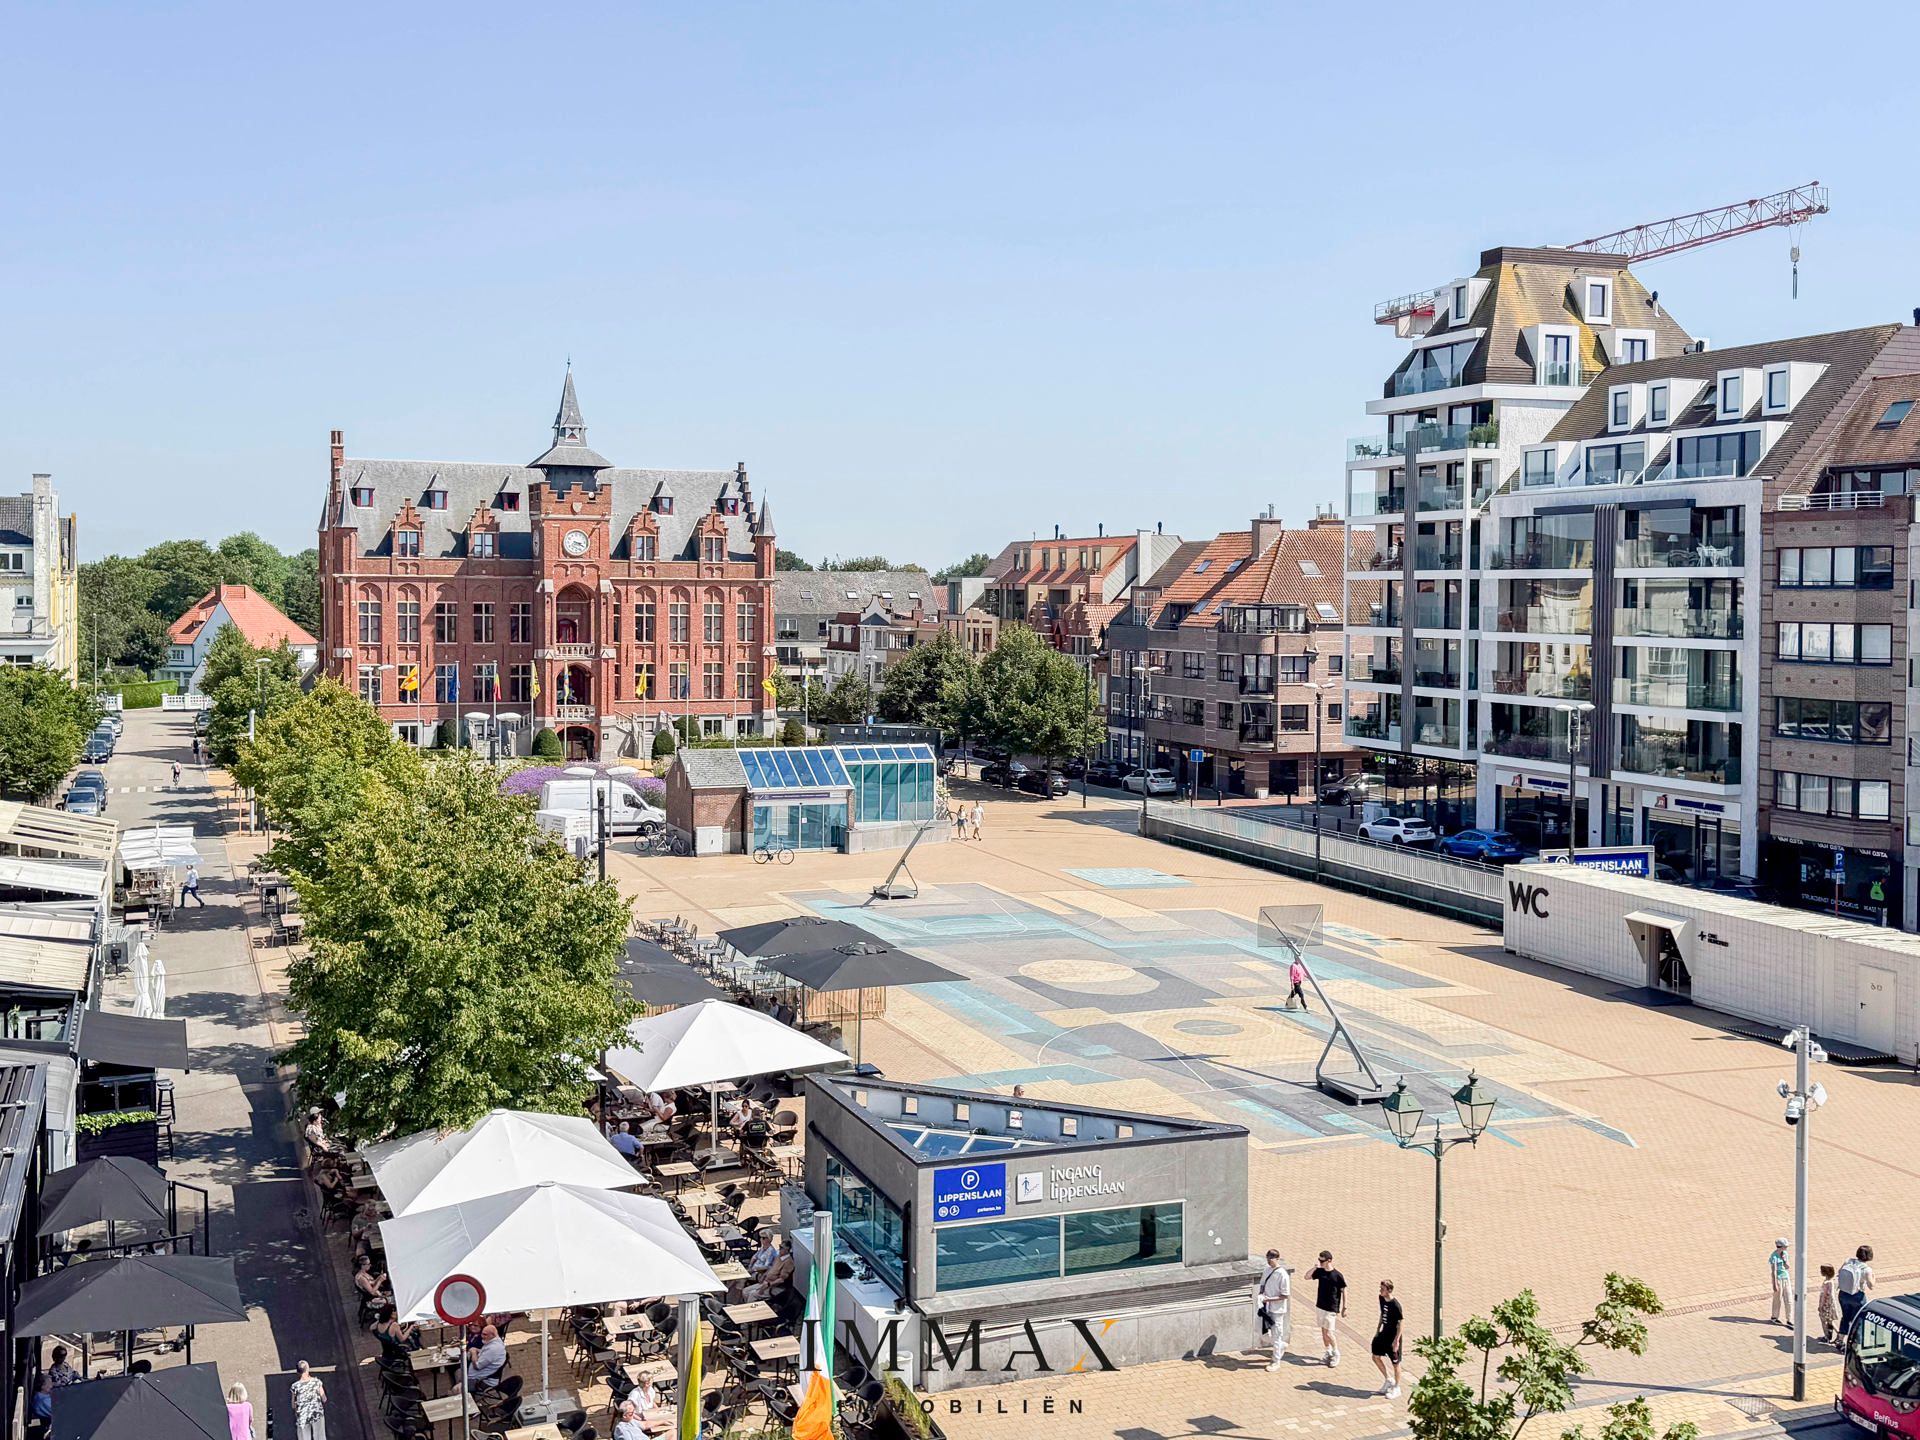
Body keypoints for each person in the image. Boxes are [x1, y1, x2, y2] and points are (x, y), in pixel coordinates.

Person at [1309, 1250, 1348, 1366]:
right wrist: (1314, 1268)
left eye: (1322, 1260)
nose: (1320, 1262)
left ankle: (1336, 1353)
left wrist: (1345, 1306)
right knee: (1323, 1331)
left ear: (1329, 1260)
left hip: (1331, 1307)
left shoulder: (1337, 1275)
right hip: (1320, 1305)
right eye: (1319, 1260)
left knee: (1329, 1333)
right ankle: (1328, 1352)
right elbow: (1307, 1277)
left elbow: (1344, 1289)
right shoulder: (1320, 1272)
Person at [1256, 1248, 1291, 1370]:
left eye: (1271, 1258)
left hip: (1277, 1309)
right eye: (1267, 1258)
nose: (1269, 1261)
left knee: (1276, 1334)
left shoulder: (1282, 1274)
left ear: (1277, 1258)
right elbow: (1262, 1285)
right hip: (1265, 1307)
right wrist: (1261, 1295)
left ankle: (1276, 1361)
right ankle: (1281, 1345)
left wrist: (1269, 1299)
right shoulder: (1267, 1270)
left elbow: (1285, 1295)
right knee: (1262, 1333)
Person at [1371, 1280, 1404, 1399]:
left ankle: (1397, 1387)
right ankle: (1388, 1379)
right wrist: (1377, 1329)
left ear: (1389, 1290)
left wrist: (1397, 1340)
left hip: (1393, 1336)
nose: (1380, 1291)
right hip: (1383, 1333)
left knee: (1395, 1363)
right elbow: (1382, 1313)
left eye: (1383, 1289)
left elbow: (1401, 1323)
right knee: (1375, 1356)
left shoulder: (1396, 1305)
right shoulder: (1381, 1298)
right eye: (1380, 1289)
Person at [1838, 1245, 1875, 1339]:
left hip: (1843, 1293)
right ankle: (1856, 1342)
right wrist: (1873, 1277)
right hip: (1857, 1296)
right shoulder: (1867, 1269)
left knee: (1845, 1317)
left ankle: (1840, 1339)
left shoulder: (1848, 1261)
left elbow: (1839, 1272)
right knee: (1858, 1319)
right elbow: (1871, 1286)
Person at [746, 1237, 795, 1302]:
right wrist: (764, 1275)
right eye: (779, 1247)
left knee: (752, 1295)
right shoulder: (778, 1257)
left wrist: (769, 1284)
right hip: (766, 1282)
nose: (780, 1249)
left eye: (782, 1248)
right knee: (745, 1291)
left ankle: (751, 1311)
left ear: (787, 1249)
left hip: (775, 1287)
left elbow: (781, 1280)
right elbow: (771, 1268)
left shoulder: (788, 1262)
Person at [291, 1362, 327, 1440]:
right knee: (319, 1436)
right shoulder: (316, 1382)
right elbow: (324, 1399)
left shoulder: (295, 1386)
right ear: (308, 1369)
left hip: (302, 1416)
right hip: (316, 1413)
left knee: (304, 1437)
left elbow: (293, 1405)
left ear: (297, 1372)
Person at [468, 1323, 507, 1392]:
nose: (482, 1336)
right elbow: (485, 1352)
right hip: (479, 1375)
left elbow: (477, 1366)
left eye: (485, 1334)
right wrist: (477, 1350)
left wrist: (473, 1352)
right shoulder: (494, 1340)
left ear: (492, 1335)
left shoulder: (493, 1349)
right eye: (482, 1334)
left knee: (457, 1389)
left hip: (482, 1381)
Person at [1769, 1239, 1791, 1325]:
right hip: (1778, 1279)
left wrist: (1785, 1260)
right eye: (1785, 1246)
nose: (1787, 1248)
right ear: (1781, 1247)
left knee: (1789, 1298)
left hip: (1786, 1277)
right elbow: (1773, 1271)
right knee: (1777, 1299)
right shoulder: (1773, 1256)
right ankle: (1774, 1317)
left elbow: (1787, 1267)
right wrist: (1775, 1284)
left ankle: (1789, 1319)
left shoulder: (1785, 1254)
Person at [1818, 1263, 1840, 1345]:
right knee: (1830, 1321)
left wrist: (1820, 1306)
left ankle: (1826, 1336)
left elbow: (1824, 1295)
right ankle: (1838, 1334)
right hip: (1831, 1304)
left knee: (1823, 1320)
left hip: (1826, 1304)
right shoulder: (1832, 1281)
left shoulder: (1826, 1283)